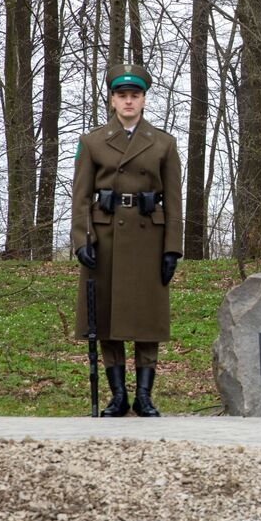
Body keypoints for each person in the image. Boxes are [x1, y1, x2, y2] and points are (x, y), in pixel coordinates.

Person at [71, 63, 183, 417]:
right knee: (106, 319)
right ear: (112, 100)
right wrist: (81, 240)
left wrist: (172, 248)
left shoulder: (164, 143)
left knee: (148, 319)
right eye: (122, 96)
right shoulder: (92, 142)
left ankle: (144, 397)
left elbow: (175, 201)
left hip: (149, 238)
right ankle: (118, 396)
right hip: (106, 238)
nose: (129, 101)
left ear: (144, 100)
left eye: (135, 95)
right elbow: (81, 197)